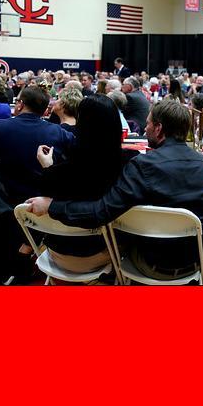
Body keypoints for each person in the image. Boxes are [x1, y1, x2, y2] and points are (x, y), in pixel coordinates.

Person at [26, 98, 203, 281]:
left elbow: (101, 212)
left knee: (123, 225)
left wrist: (52, 206)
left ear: (159, 129)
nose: (145, 128)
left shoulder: (142, 165)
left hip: (152, 264)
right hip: (202, 261)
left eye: (148, 123)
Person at [33, 95, 123, 274]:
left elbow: (50, 193)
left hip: (58, 253)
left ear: (81, 122)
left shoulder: (64, 167)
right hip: (105, 253)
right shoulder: (125, 165)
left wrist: (48, 168)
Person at [0, 85, 75, 206]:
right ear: (45, 111)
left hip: (3, 203)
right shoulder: (60, 133)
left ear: (20, 104)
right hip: (44, 204)